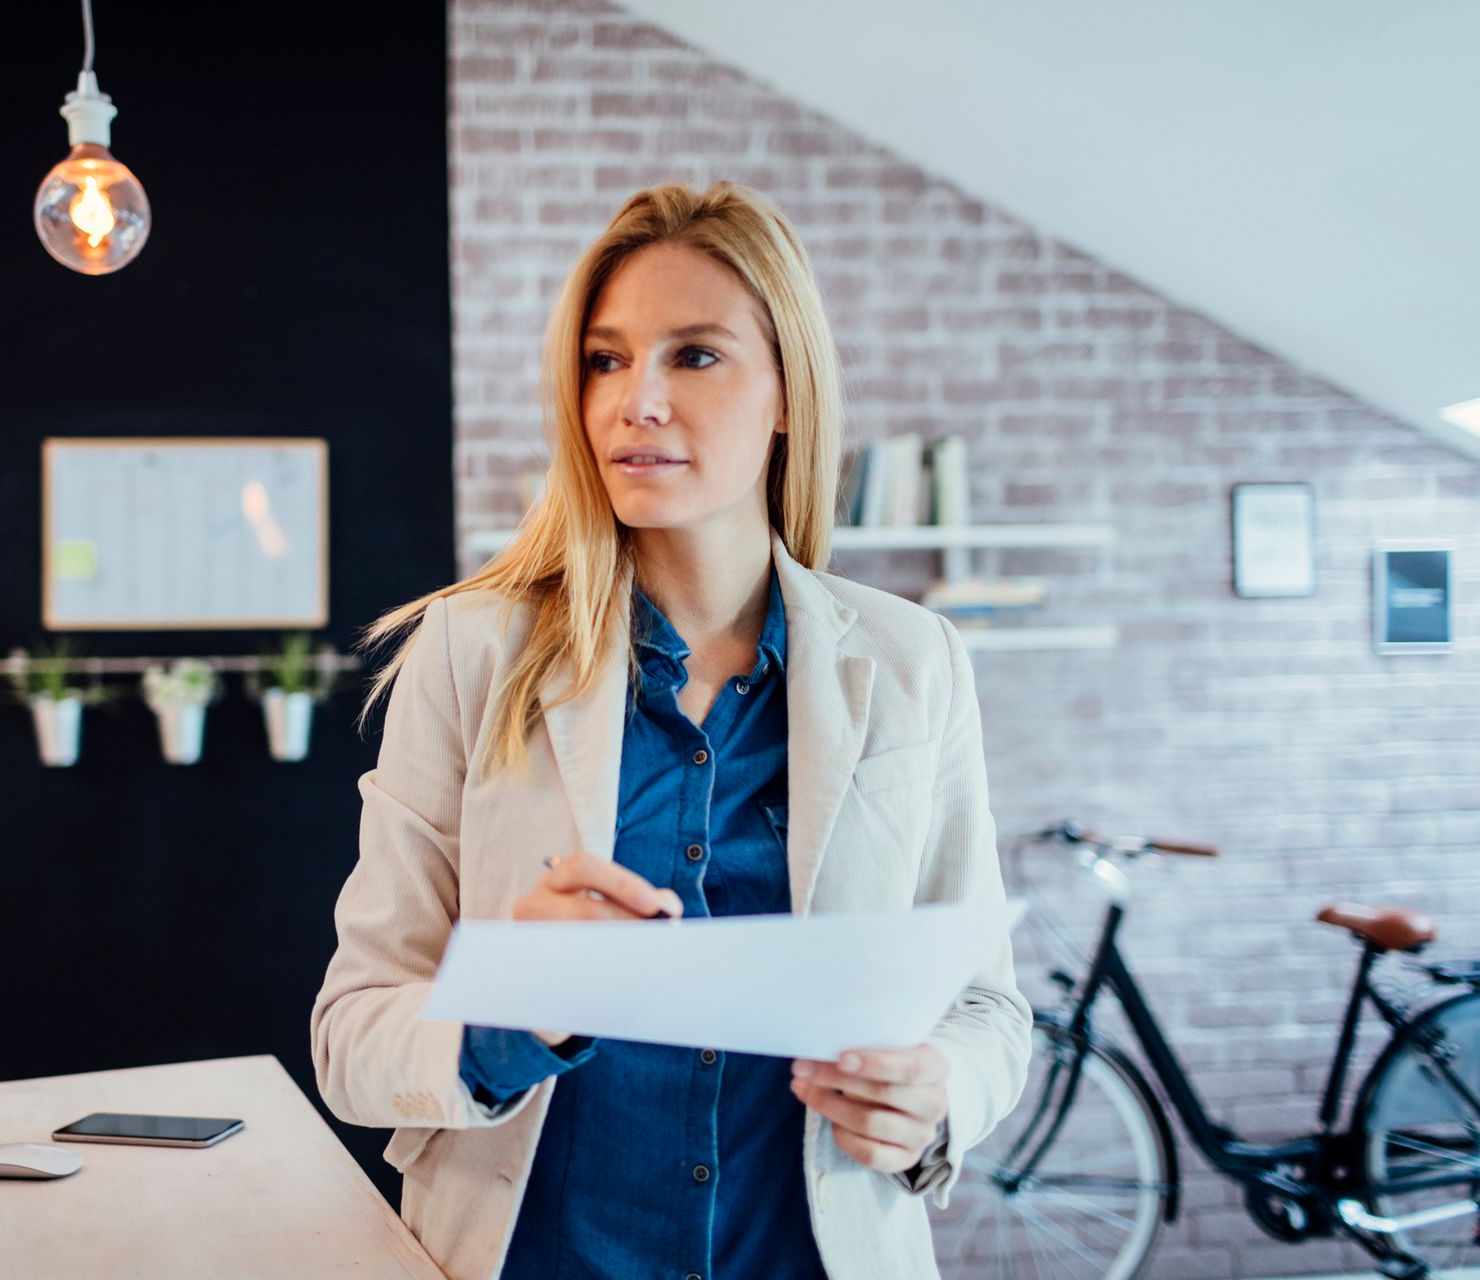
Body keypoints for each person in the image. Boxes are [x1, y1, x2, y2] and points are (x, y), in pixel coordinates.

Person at [310, 180, 1031, 1280]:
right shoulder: (472, 652)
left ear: (788, 391)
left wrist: (939, 1093)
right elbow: (352, 1035)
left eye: (694, 355)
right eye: (605, 359)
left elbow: (984, 1002)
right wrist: (518, 1002)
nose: (634, 400)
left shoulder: (909, 660)